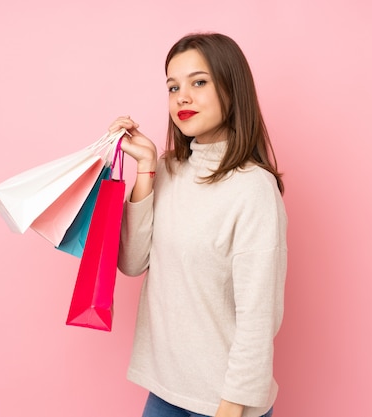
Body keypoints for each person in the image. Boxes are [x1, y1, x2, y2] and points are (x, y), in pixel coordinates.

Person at [108, 32, 287, 417]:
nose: (182, 97)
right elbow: (132, 261)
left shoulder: (253, 188)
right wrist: (146, 167)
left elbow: (259, 316)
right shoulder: (169, 169)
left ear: (232, 89)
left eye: (198, 82)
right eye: (173, 87)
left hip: (222, 403)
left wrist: (231, 407)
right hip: (164, 391)